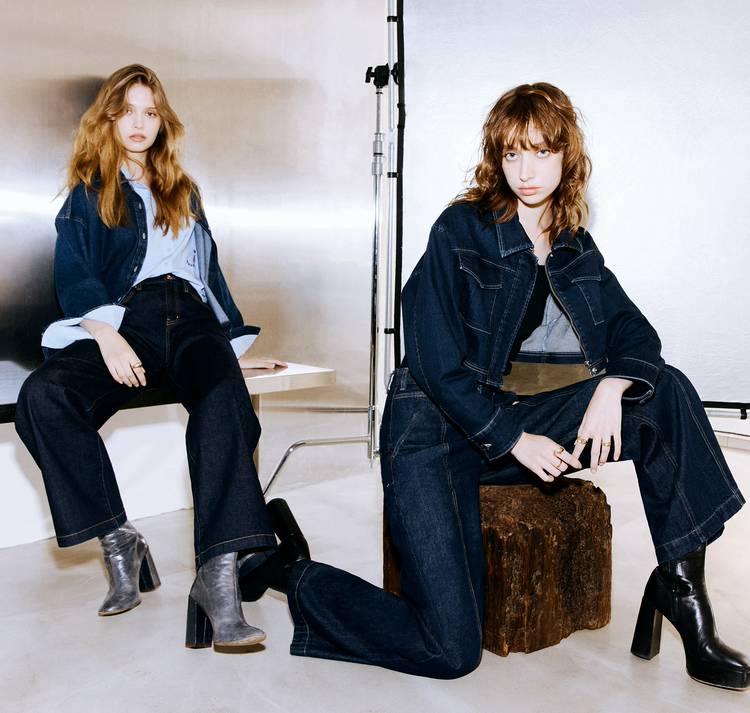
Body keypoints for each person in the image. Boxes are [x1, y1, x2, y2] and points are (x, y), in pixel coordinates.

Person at [264, 83, 749, 688]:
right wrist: (515, 438)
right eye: (512, 153)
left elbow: (635, 332)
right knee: (450, 651)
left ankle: (682, 593)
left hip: (509, 416)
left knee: (663, 392)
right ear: (496, 157)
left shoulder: (573, 244)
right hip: (431, 434)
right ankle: (290, 571)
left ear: (567, 155)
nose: (526, 170)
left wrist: (610, 388)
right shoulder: (461, 229)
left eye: (542, 152)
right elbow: (433, 363)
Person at [14, 63, 290, 652]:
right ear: (109, 119)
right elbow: (74, 274)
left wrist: (229, 351)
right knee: (43, 395)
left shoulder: (184, 190)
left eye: (150, 112)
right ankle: (119, 539)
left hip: (192, 321)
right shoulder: (89, 194)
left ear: (162, 122)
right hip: (128, 321)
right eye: (127, 112)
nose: (139, 123)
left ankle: (218, 578)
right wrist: (105, 333)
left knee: (223, 401)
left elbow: (209, 276)